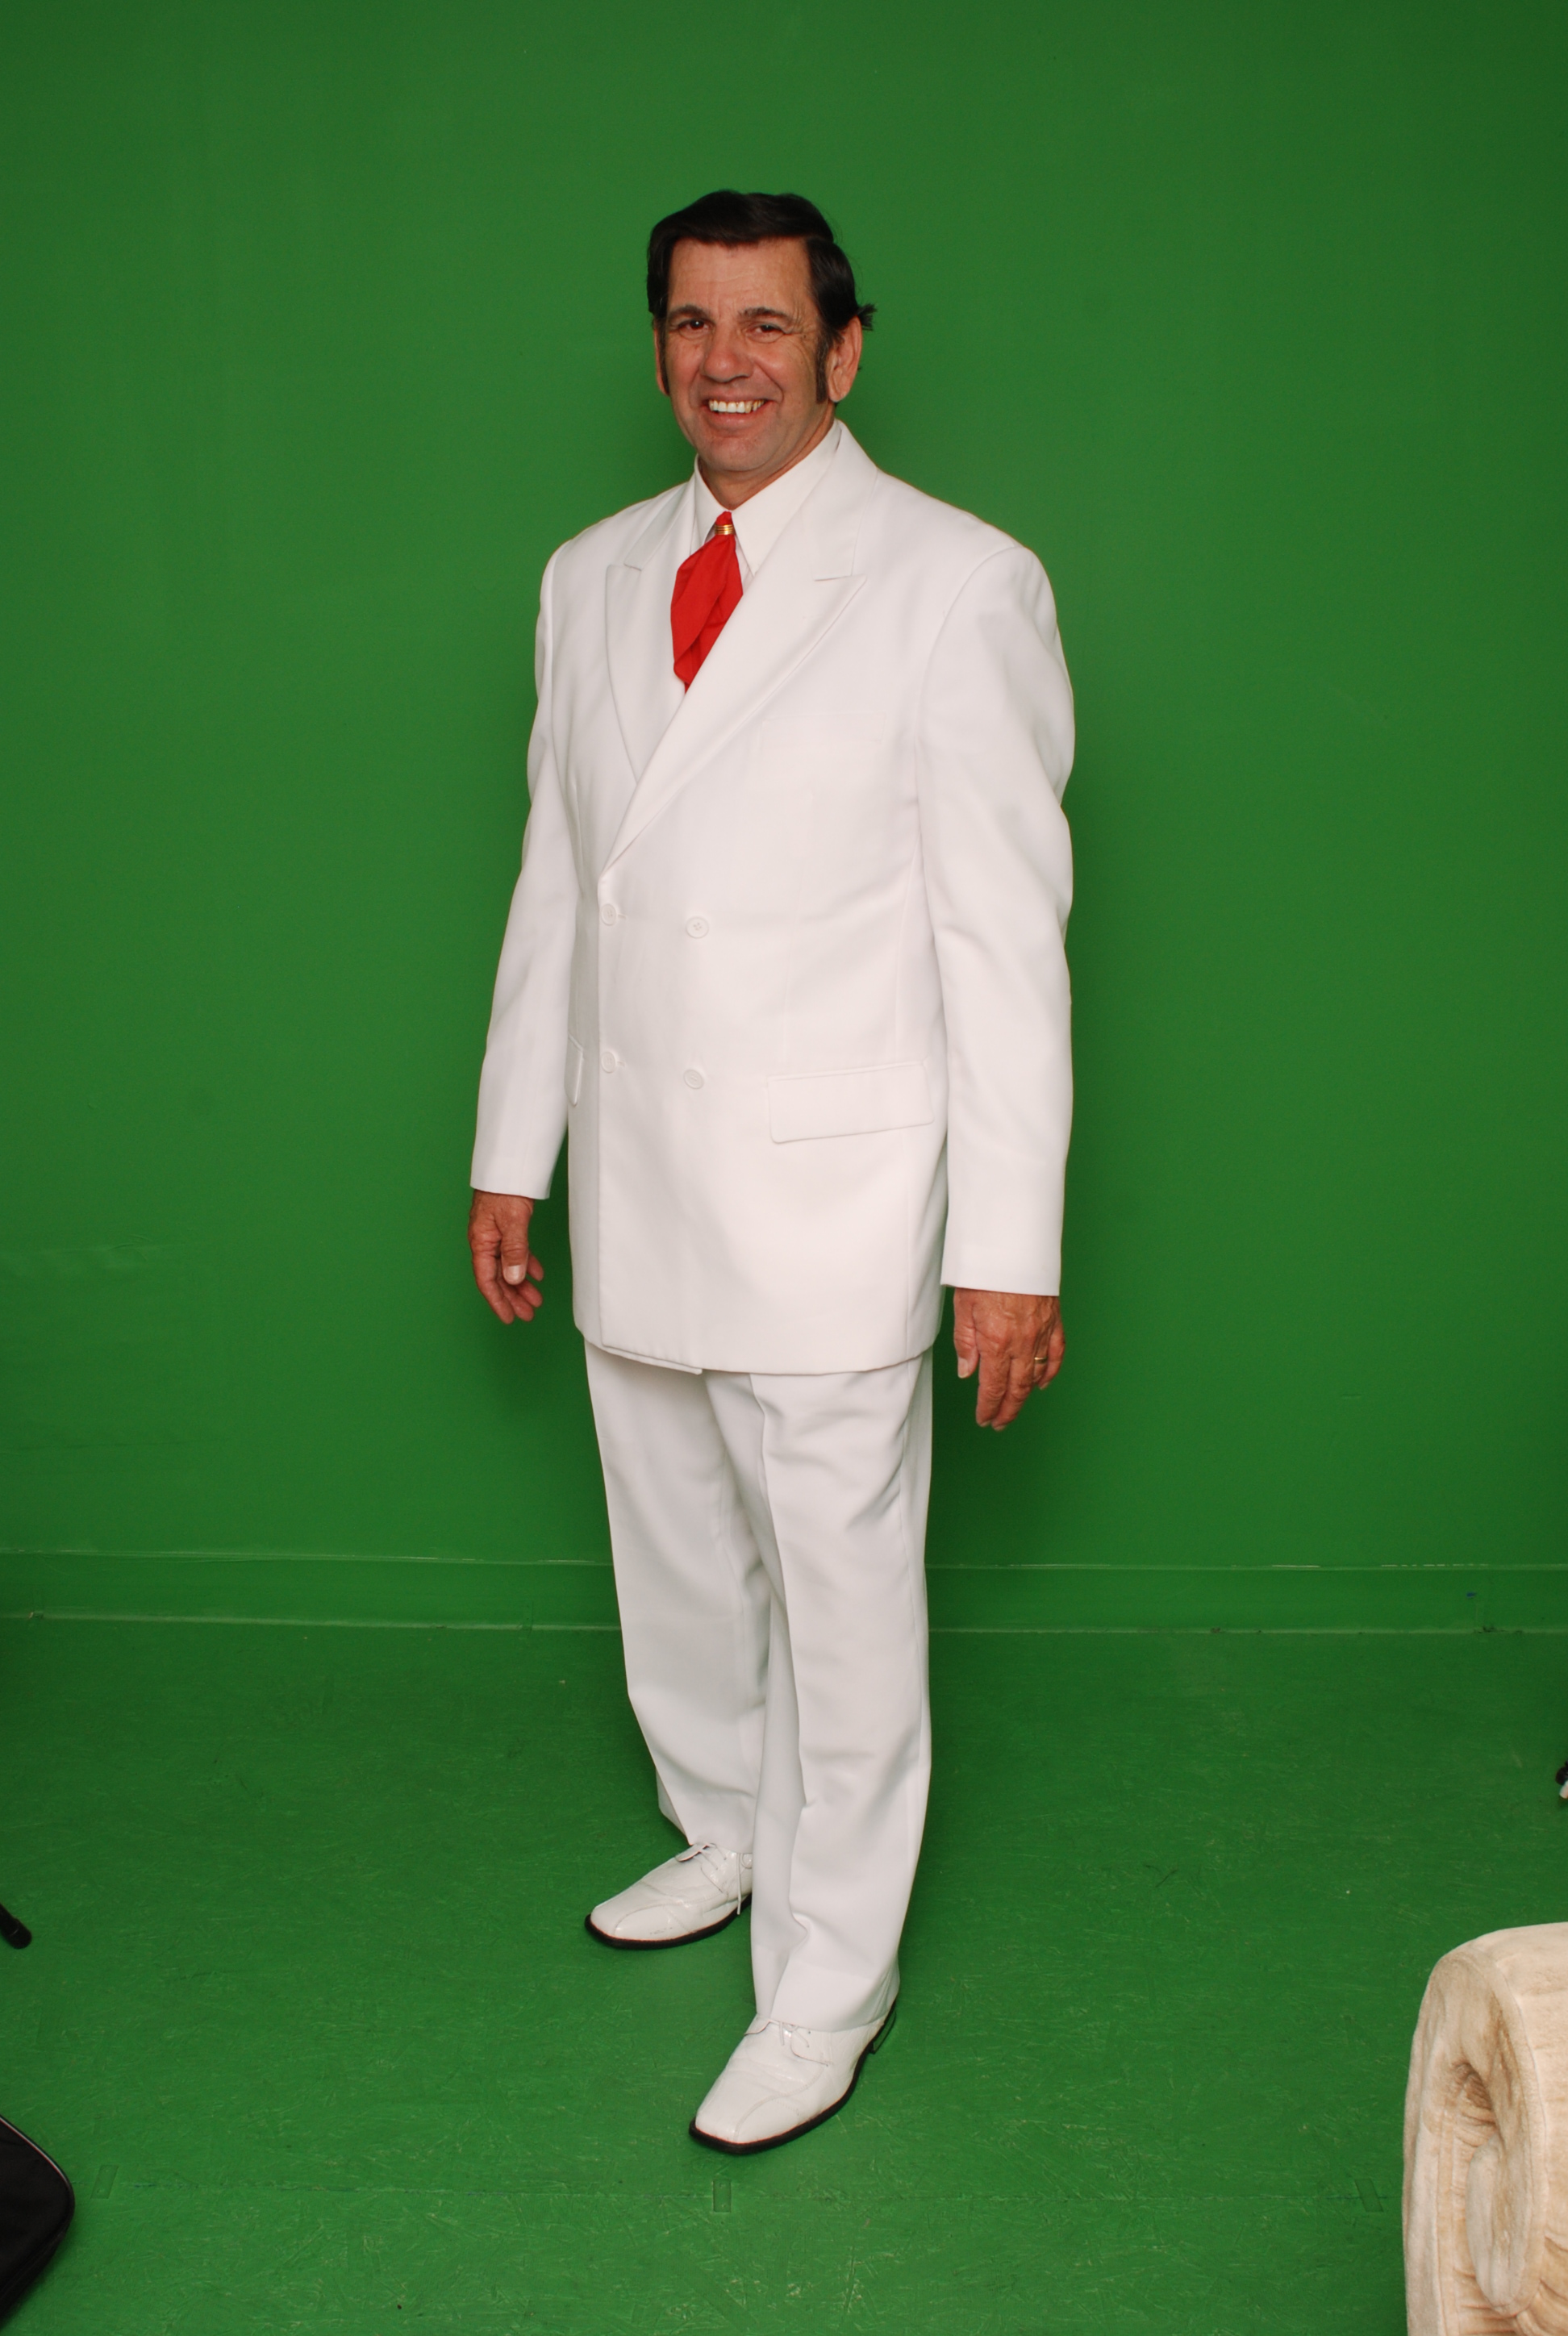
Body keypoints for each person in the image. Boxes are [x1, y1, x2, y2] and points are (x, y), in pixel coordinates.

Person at [468, 190, 1074, 2155]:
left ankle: (831, 1975)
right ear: (657, 342)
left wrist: (1009, 1247)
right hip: (638, 1164)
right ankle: (726, 1822)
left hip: (832, 1198)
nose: (724, 360)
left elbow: (1005, 944)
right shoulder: (588, 576)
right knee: (670, 1551)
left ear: (844, 348)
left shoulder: (956, 585)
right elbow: (561, 881)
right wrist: (512, 1149)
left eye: (767, 324)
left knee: (842, 1599)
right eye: (690, 322)